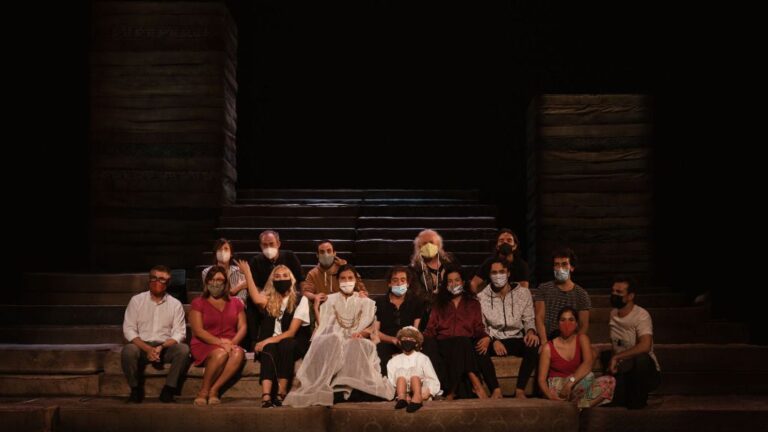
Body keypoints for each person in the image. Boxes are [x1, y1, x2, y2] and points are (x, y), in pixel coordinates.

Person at [284, 265, 394, 407]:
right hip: (333, 337)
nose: (347, 281)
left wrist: (360, 333)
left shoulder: (365, 301)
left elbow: (370, 327)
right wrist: (316, 308)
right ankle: (335, 387)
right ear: (338, 280)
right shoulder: (329, 300)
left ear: (355, 280)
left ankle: (352, 388)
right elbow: (322, 326)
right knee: (333, 340)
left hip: (356, 338)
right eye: (343, 278)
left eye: (350, 278)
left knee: (359, 344)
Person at [246, 264, 312, 408]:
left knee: (286, 344)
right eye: (277, 276)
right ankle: (266, 395)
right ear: (272, 280)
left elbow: (291, 332)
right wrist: (247, 273)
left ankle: (281, 391)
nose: (281, 279)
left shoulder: (300, 300)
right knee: (269, 348)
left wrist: (265, 341)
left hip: (293, 342)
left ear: (291, 279)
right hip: (272, 342)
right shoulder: (269, 298)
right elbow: (256, 298)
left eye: (285, 276)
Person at [122, 265, 188, 403]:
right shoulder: (137, 300)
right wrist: (147, 349)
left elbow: (180, 333)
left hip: (164, 347)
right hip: (142, 346)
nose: (157, 282)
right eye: (154, 278)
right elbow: (129, 329)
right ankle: (135, 389)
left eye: (162, 279)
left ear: (168, 282)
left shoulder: (175, 304)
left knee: (183, 349)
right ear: (149, 279)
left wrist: (161, 347)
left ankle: (168, 389)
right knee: (128, 350)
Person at [423, 268, 491, 399]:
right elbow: (430, 329)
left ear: (463, 282)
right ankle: (476, 384)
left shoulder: (473, 304)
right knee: (460, 343)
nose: (453, 284)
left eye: (457, 280)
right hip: (443, 344)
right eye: (450, 281)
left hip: (464, 345)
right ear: (446, 285)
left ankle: (452, 392)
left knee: (462, 342)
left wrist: (486, 337)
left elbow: (478, 327)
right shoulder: (439, 304)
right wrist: (420, 338)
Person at [477, 259, 539, 398]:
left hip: (517, 337)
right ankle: (496, 390)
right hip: (495, 339)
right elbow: (482, 325)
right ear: (489, 275)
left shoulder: (523, 293)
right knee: (478, 348)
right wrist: (492, 340)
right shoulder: (481, 297)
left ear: (508, 273)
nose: (498, 276)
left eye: (501, 272)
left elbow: (529, 319)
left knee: (534, 343)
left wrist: (530, 332)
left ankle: (520, 390)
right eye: (494, 272)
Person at [188, 266, 247, 406]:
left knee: (238, 353)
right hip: (204, 343)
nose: (215, 283)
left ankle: (214, 390)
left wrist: (232, 343)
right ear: (207, 282)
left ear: (226, 283)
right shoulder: (198, 302)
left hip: (230, 342)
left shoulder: (236, 302)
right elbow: (198, 331)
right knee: (221, 353)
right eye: (212, 279)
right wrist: (221, 343)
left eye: (219, 280)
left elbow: (243, 327)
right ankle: (203, 391)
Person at [601, 275, 661, 408]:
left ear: (630, 296)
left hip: (643, 371)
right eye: (613, 291)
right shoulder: (613, 314)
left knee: (642, 359)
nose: (614, 295)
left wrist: (617, 357)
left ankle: (637, 400)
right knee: (605, 355)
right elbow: (615, 343)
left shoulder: (641, 315)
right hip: (623, 367)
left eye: (619, 292)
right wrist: (614, 359)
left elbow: (645, 345)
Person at [538, 307, 615, 408]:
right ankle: (574, 406)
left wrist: (570, 383)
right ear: (558, 324)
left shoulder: (582, 339)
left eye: (571, 319)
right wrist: (550, 396)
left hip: (576, 382)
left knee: (608, 381)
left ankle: (577, 408)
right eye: (563, 320)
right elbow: (541, 379)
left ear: (576, 323)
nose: (567, 324)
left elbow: (588, 363)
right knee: (588, 378)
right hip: (558, 387)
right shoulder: (548, 347)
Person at [247, 230, 305, 349]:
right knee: (251, 301)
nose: (268, 247)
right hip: (268, 296)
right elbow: (256, 287)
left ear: (278, 244)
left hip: (290, 296)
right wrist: (265, 299)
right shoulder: (256, 261)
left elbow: (301, 280)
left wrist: (301, 298)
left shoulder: (290, 256)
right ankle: (254, 340)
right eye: (265, 245)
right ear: (260, 246)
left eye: (271, 244)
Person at [534, 248, 592, 345]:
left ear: (572, 267)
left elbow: (583, 326)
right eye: (557, 264)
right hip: (547, 340)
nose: (560, 268)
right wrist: (544, 343)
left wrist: (573, 345)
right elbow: (539, 317)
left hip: (571, 340)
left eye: (564, 264)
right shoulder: (543, 289)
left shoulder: (582, 294)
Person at [374, 266, 425, 375]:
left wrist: (408, 341)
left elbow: (416, 329)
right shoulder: (379, 302)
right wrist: (393, 340)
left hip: (409, 340)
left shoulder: (417, 302)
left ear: (408, 283)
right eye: (395, 280)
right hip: (386, 342)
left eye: (403, 280)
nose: (399, 284)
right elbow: (375, 331)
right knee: (380, 349)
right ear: (389, 284)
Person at [408, 229, 461, 330]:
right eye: (424, 243)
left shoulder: (450, 261)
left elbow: (460, 281)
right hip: (427, 311)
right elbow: (417, 293)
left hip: (453, 304)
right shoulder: (414, 268)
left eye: (431, 242)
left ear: (438, 245)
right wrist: (440, 299)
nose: (428, 246)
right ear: (419, 247)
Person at [387, 326, 440, 413]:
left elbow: (432, 378)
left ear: (416, 343)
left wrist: (429, 391)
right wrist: (400, 393)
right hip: (402, 392)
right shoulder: (393, 361)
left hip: (421, 390)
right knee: (400, 373)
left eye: (411, 339)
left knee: (415, 372)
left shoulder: (423, 358)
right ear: (400, 342)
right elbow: (391, 381)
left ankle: (417, 398)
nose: (407, 341)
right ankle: (402, 399)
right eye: (405, 338)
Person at [302, 239, 366, 302]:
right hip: (322, 307)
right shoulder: (313, 274)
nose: (326, 254)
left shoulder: (345, 269)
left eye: (329, 251)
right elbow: (306, 292)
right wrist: (315, 296)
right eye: (322, 252)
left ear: (334, 253)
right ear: (317, 255)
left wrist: (361, 294)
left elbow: (362, 290)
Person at [202, 238, 248, 304]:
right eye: (219, 249)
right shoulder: (206, 272)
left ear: (231, 254)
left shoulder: (239, 271)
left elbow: (242, 299)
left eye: (226, 249)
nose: (222, 252)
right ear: (215, 253)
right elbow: (212, 295)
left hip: (236, 308)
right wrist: (235, 289)